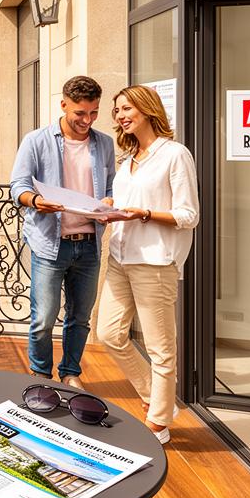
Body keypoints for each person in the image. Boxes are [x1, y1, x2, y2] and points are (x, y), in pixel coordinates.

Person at [97, 84, 199, 445]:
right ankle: (155, 396)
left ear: (147, 108)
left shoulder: (174, 154)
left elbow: (189, 215)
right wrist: (109, 206)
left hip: (154, 261)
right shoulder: (128, 160)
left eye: (127, 108)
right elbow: (126, 202)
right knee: (109, 333)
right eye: (117, 111)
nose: (121, 116)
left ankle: (158, 423)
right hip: (120, 257)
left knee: (160, 348)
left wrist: (144, 214)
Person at [10, 76, 117, 390]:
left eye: (94, 112)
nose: (87, 120)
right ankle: (40, 375)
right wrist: (36, 201)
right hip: (50, 243)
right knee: (44, 317)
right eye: (80, 113)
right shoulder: (36, 141)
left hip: (89, 245)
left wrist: (110, 201)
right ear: (63, 105)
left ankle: (70, 374)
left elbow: (111, 187)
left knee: (80, 317)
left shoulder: (104, 143)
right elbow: (19, 185)